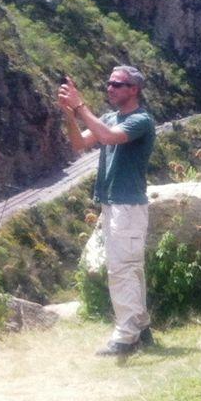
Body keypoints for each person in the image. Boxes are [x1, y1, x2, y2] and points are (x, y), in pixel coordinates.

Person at [58, 66, 157, 356]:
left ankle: (126, 336)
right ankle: (141, 325)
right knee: (130, 269)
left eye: (117, 84)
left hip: (127, 205)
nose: (110, 89)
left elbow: (110, 137)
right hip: (114, 203)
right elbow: (80, 143)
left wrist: (79, 106)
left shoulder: (141, 120)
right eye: (109, 84)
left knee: (121, 269)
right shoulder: (109, 118)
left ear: (134, 89)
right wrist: (69, 114)